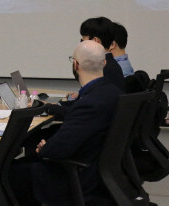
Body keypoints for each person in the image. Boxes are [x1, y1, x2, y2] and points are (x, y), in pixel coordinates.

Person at [9, 40, 122, 205]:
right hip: (96, 173)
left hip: (75, 178)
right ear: (104, 63)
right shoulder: (113, 93)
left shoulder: (90, 103)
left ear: (76, 65)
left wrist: (46, 147)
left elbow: (54, 150)